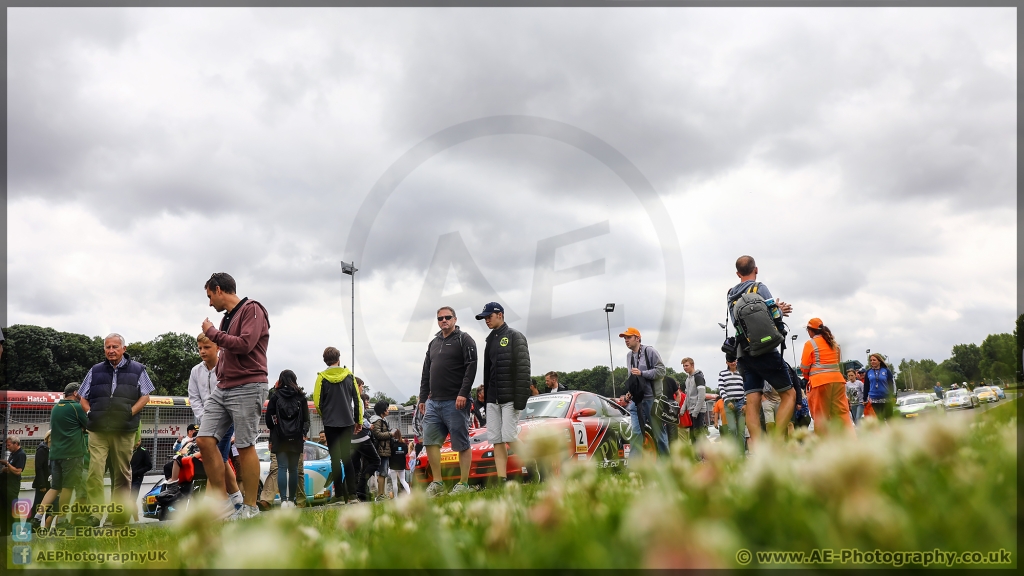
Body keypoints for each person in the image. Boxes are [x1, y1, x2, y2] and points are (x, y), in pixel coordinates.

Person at [195, 272, 271, 521]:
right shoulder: (228, 317)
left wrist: (212, 333)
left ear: (218, 290)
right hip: (224, 385)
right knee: (204, 440)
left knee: (245, 445)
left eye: (209, 296)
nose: (209, 303)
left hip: (248, 385)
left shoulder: (253, 309)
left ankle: (250, 507)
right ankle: (225, 501)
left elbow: (245, 344)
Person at [79, 333, 154, 526]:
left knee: (122, 472)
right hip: (98, 428)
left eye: (115, 347)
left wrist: (130, 412)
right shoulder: (95, 370)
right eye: (107, 347)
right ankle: (94, 514)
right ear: (104, 349)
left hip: (124, 429)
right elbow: (83, 397)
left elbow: (145, 396)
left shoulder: (138, 370)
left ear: (123, 349)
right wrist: (89, 414)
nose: (111, 351)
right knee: (95, 471)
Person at [726, 255, 795, 448]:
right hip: (766, 351)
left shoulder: (730, 295)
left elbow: (737, 321)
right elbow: (772, 315)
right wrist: (780, 310)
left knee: (752, 401)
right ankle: (777, 441)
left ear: (738, 273)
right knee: (789, 395)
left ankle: (757, 448)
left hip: (744, 354)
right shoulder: (760, 287)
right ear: (756, 269)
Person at [419, 306, 478, 496]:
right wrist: (422, 397)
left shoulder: (464, 339)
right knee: (430, 442)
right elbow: (426, 371)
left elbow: (471, 367)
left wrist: (463, 393)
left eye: (447, 317)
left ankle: (463, 484)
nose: (443, 320)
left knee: (461, 443)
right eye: (440, 318)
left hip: (456, 401)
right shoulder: (433, 343)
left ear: (455, 318)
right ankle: (437, 483)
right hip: (434, 402)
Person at [478, 302, 531, 485]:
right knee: (496, 439)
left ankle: (532, 467)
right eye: (484, 318)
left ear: (500, 314)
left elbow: (524, 370)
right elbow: (488, 371)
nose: (486, 320)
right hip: (492, 398)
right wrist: (486, 400)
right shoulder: (489, 340)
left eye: (489, 317)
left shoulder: (516, 336)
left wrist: (520, 399)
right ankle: (502, 478)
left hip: (510, 398)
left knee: (509, 435)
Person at [188, 332, 243, 510]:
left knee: (213, 457)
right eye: (200, 348)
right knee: (221, 459)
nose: (202, 351)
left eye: (207, 347)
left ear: (218, 348)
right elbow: (194, 397)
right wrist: (204, 417)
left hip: (226, 419)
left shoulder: (227, 367)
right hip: (206, 420)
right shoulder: (196, 371)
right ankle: (237, 499)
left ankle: (211, 503)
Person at [32, 383, 89, 527]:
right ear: (76, 393)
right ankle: (63, 520)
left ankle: (37, 517)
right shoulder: (76, 407)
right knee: (68, 487)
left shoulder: (56, 407)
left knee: (55, 487)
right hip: (72, 454)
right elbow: (89, 425)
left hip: (55, 454)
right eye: (81, 393)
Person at [312, 346, 362, 505]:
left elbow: (317, 402)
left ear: (325, 360)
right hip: (347, 422)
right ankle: (353, 495)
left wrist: (325, 415)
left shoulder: (321, 377)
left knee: (335, 459)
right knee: (347, 457)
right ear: (339, 359)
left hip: (330, 423)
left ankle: (339, 496)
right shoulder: (349, 376)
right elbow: (357, 399)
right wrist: (358, 420)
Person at [616, 327, 667, 458]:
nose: (626, 340)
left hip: (652, 400)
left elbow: (662, 371)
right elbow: (633, 378)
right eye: (624, 338)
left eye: (628, 337)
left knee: (659, 434)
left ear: (637, 338)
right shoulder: (629, 356)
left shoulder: (649, 351)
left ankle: (667, 465)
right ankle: (634, 468)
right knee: (636, 433)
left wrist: (643, 373)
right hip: (636, 401)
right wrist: (629, 392)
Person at [799, 319, 854, 434]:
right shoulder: (833, 343)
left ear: (810, 330)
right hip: (838, 381)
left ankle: (824, 446)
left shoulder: (810, 344)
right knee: (842, 414)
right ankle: (850, 441)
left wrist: (807, 377)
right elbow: (837, 363)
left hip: (820, 383)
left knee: (821, 416)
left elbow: (804, 366)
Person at [266, 370, 310, 509]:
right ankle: (292, 500)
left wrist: (273, 436)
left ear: (280, 380)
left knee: (282, 468)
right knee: (293, 469)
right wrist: (303, 432)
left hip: (279, 437)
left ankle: (283, 500)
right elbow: (306, 420)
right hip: (296, 437)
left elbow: (268, 421)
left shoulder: (275, 396)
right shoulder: (301, 397)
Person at [350, 392, 381, 501]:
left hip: (352, 439)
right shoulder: (357, 402)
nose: (367, 402)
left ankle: (354, 492)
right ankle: (361, 488)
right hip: (361, 437)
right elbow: (359, 418)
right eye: (366, 400)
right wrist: (368, 425)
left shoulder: (349, 400)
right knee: (376, 461)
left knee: (356, 465)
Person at [717, 356, 746, 452]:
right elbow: (721, 389)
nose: (732, 363)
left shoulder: (742, 372)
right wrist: (727, 401)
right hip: (728, 403)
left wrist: (745, 403)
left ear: (736, 361)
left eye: (734, 361)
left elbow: (746, 387)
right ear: (726, 362)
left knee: (741, 430)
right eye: (730, 361)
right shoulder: (722, 374)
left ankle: (741, 453)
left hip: (741, 402)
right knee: (732, 429)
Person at [369, 401, 394, 501]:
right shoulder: (378, 421)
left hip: (384, 449)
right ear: (382, 410)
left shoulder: (381, 420)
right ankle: (380, 495)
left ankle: (382, 493)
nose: (388, 410)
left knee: (383, 473)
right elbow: (378, 434)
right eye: (386, 408)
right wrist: (391, 434)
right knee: (382, 472)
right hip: (381, 449)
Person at [681, 358, 708, 447]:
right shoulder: (687, 379)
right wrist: (682, 409)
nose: (685, 368)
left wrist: (696, 411)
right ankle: (698, 457)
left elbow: (701, 396)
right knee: (693, 435)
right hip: (691, 410)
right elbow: (687, 396)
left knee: (698, 435)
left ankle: (704, 457)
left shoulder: (698, 377)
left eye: (686, 365)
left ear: (692, 365)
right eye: (683, 366)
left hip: (698, 411)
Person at [2, 436, 27, 531]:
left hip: (13, 486)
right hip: (7, 485)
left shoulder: (21, 454)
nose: (7, 447)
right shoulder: (13, 454)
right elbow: (12, 469)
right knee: (6, 508)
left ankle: (17, 530)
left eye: (9, 445)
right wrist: (6, 469)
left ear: (15, 444)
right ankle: (6, 530)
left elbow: (18, 471)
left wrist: (7, 464)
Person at [863, 353, 896, 422]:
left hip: (886, 398)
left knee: (890, 419)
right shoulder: (869, 372)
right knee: (879, 420)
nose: (872, 361)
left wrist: (893, 395)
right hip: (874, 399)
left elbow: (891, 384)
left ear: (879, 361)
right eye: (871, 360)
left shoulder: (886, 371)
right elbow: (866, 386)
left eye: (874, 360)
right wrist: (864, 398)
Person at [128, 433, 152, 522]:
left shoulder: (143, 451)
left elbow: (149, 466)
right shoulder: (128, 450)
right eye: (136, 440)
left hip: (136, 480)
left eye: (139, 440)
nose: (138, 443)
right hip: (127, 478)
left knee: (132, 500)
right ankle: (127, 520)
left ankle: (136, 521)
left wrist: (137, 473)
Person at [31, 431, 52, 527]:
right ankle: (31, 528)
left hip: (52, 484)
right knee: (37, 506)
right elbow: (38, 468)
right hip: (42, 484)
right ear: (47, 438)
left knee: (50, 509)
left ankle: (45, 529)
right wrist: (42, 485)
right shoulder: (42, 450)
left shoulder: (54, 450)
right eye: (51, 437)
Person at [388, 429, 411, 497]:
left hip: (393, 465)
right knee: (403, 480)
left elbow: (389, 453)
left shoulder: (391, 444)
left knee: (394, 481)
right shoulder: (404, 444)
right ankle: (409, 493)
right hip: (402, 465)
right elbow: (406, 452)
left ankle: (395, 497)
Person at [664, 376, 681, 445]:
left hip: (670, 411)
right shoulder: (651, 380)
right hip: (657, 410)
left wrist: (674, 408)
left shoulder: (670, 380)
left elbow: (678, 394)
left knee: (673, 438)